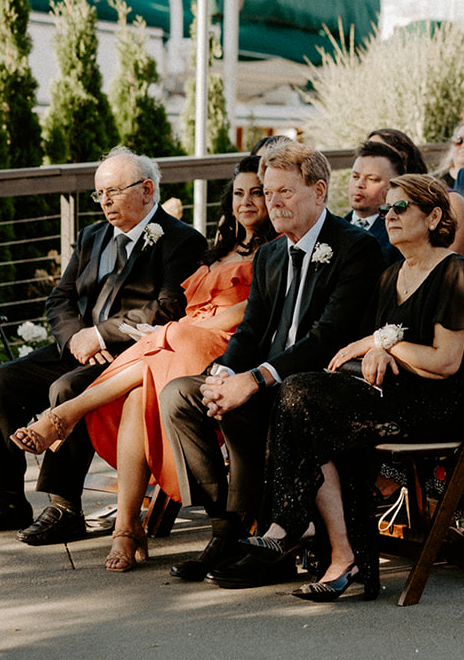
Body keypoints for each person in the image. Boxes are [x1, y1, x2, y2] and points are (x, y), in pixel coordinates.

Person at [213, 174, 464, 600]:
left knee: (303, 397)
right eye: (386, 209)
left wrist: (382, 344)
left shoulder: (455, 272)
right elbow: (383, 347)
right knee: (302, 400)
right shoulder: (392, 275)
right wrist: (379, 351)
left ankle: (294, 525)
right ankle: (339, 556)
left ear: (434, 216)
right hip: (393, 396)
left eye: (401, 208)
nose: (390, 217)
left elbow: (444, 362)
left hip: (439, 407)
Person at [7, 157, 274, 571]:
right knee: (136, 396)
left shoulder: (275, 251)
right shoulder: (220, 247)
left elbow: (249, 312)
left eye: (258, 192)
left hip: (227, 344)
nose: (247, 201)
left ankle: (63, 417)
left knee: (174, 336)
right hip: (182, 341)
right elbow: (61, 299)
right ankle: (127, 527)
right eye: (239, 192)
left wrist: (173, 331)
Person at [0, 148, 206, 544]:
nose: (104, 201)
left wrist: (101, 335)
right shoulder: (92, 236)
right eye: (99, 193)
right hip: (78, 347)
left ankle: (65, 507)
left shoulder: (182, 241)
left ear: (147, 189)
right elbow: (60, 299)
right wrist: (77, 339)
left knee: (67, 388)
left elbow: (169, 308)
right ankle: (9, 500)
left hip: (130, 355)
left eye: (114, 191)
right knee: (1, 379)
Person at [158, 142, 382, 584]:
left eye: (284, 192)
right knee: (180, 396)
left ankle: (272, 544)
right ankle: (227, 529)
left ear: (319, 192)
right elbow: (250, 331)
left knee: (245, 405)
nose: (271, 202)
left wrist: (256, 379)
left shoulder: (356, 248)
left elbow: (329, 337)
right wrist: (223, 375)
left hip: (318, 383)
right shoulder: (270, 254)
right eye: (266, 191)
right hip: (269, 376)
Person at [367, 127, 464, 257]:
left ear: (404, 159)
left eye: (380, 153)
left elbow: (452, 265)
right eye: (367, 153)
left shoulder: (450, 201)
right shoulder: (378, 207)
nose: (370, 160)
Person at [345, 140, 404, 265]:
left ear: (394, 185)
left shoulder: (399, 234)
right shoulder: (334, 227)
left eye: (372, 179)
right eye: (355, 177)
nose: (359, 185)